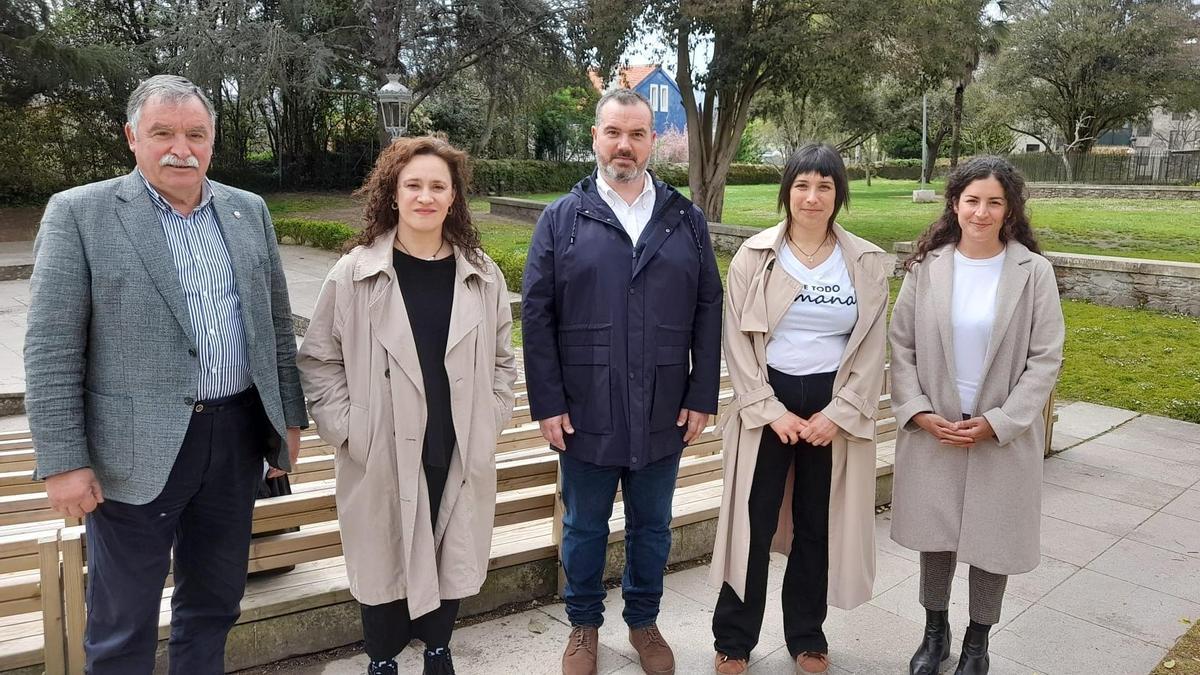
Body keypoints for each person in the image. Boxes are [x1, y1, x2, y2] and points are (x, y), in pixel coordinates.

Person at [24, 74, 306, 673]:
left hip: (234, 438)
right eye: (163, 133)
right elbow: (50, 349)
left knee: (215, 604)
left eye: (196, 134)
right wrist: (63, 461)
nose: (182, 148)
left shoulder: (247, 210)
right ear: (132, 137)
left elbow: (275, 326)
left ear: (212, 141)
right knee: (121, 623)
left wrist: (287, 422)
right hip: (132, 451)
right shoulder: (80, 213)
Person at [297, 135, 517, 675]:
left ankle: (439, 650)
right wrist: (351, 430)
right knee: (384, 558)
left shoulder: (481, 274)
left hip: (456, 443)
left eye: (437, 186)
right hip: (381, 448)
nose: (425, 196)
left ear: (453, 197)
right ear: (392, 194)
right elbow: (319, 359)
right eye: (412, 185)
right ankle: (382, 659)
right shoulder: (354, 273)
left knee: (451, 549)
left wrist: (489, 419)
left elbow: (502, 360)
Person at [522, 88, 723, 675]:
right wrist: (548, 403)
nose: (624, 145)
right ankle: (583, 624)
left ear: (652, 141)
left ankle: (643, 621)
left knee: (652, 526)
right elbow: (536, 314)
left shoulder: (683, 219)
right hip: (586, 407)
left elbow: (708, 306)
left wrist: (702, 394)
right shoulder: (563, 218)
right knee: (584, 526)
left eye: (637, 134)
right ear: (595, 137)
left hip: (663, 405)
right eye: (613, 132)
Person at [709, 144, 889, 675]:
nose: (812, 197)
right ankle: (734, 640)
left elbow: (873, 345)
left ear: (839, 195)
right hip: (768, 403)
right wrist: (769, 409)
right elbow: (736, 341)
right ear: (787, 192)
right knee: (753, 522)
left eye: (824, 187)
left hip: (832, 408)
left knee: (818, 523)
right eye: (802, 185)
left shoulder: (864, 262)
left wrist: (840, 412)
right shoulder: (754, 257)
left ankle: (807, 635)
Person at [889, 156, 1065, 675]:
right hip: (937, 428)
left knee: (993, 542)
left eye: (994, 202)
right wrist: (917, 411)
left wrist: (1001, 422)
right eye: (972, 200)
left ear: (1009, 209)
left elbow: (1045, 358)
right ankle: (935, 633)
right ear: (955, 203)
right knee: (936, 536)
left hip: (1000, 434)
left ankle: (976, 643)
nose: (981, 212)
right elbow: (901, 346)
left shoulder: (1034, 273)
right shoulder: (927, 267)